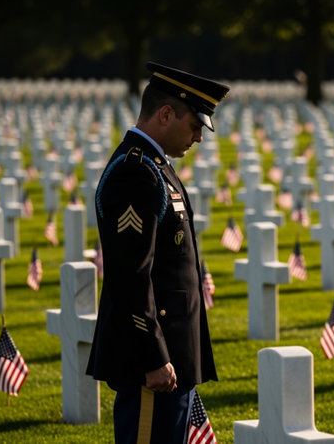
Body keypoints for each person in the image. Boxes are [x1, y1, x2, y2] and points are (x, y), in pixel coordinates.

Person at [86, 61, 230, 443]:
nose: (198, 138)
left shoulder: (155, 166)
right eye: (195, 125)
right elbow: (130, 274)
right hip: (151, 362)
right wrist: (152, 355)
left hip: (171, 355)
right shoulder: (136, 172)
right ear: (166, 114)